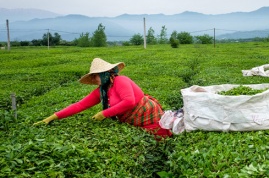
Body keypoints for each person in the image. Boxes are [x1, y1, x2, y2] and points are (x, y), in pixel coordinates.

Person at [34, 58, 172, 139]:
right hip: (134, 122)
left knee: (159, 145)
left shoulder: (121, 81)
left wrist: (103, 113)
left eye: (96, 75)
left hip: (150, 120)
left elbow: (129, 101)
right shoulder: (103, 90)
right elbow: (80, 105)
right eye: (92, 76)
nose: (94, 79)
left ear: (106, 73)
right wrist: (52, 117)